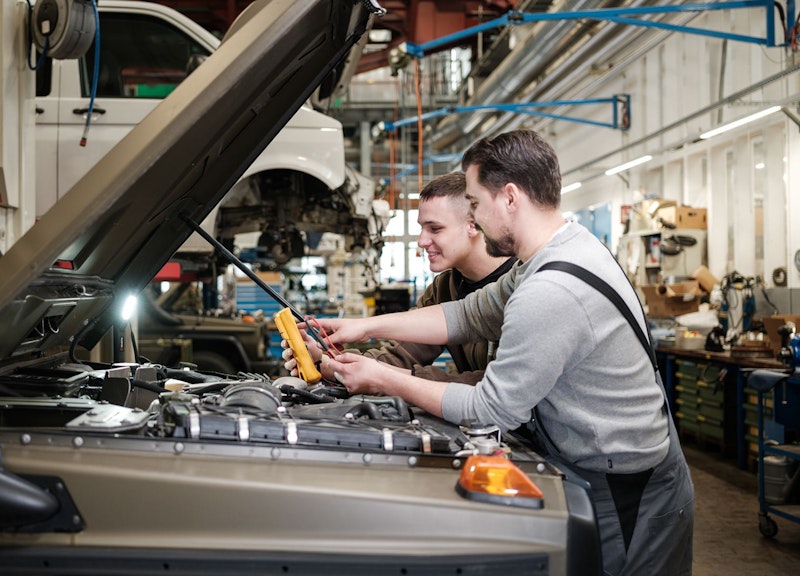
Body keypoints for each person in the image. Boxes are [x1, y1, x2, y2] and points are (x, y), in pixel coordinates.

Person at [286, 130, 694, 576]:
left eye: (476, 203)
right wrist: (362, 326)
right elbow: (466, 314)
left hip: (628, 485)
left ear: (511, 198)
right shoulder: (554, 252)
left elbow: (490, 408)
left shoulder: (550, 290)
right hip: (596, 460)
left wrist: (381, 379)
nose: (475, 217)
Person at [334, 172, 515, 384]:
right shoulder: (445, 289)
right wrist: (332, 362)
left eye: (435, 228)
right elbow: (402, 355)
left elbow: (499, 387)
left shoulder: (522, 286)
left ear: (473, 225)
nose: (421, 241)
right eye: (421, 228)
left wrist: (392, 379)